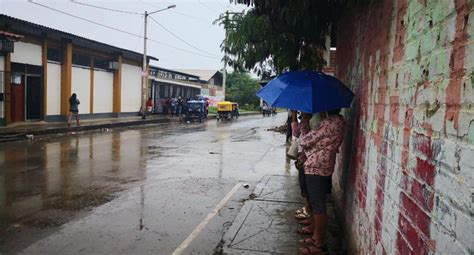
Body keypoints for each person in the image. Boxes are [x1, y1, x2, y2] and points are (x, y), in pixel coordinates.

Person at [298, 109, 345, 254]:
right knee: (315, 202)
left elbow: (305, 141)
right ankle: (315, 234)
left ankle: (319, 243)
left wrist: (305, 121)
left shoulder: (329, 122)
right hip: (322, 165)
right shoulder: (338, 121)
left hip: (316, 167)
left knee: (318, 205)